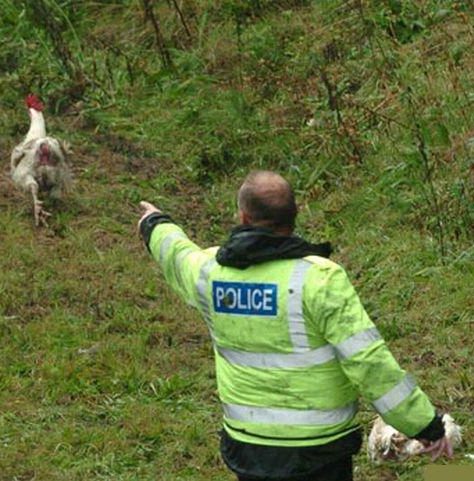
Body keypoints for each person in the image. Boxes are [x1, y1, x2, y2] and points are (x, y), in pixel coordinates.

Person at [137, 171, 452, 480]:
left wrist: (154, 223)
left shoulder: (211, 274)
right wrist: (424, 425)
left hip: (249, 446)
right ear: (295, 216)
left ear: (243, 217)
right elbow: (369, 362)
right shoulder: (320, 279)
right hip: (320, 450)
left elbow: (176, 254)